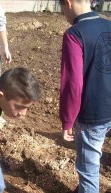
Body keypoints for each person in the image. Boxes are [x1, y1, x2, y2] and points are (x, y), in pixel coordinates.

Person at [58, 0, 111, 193]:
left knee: (89, 173)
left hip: (93, 114)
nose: (64, 13)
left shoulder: (74, 34)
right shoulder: (109, 25)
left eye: (62, 8)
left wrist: (67, 120)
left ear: (69, 3)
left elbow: (73, 83)